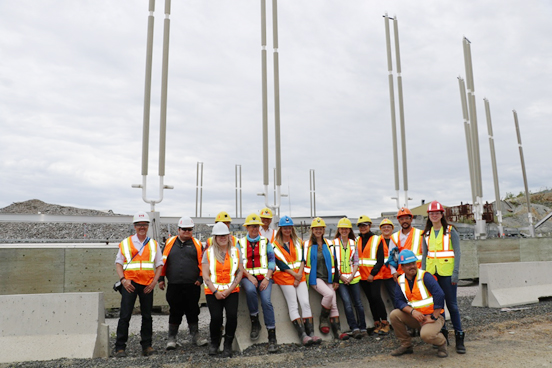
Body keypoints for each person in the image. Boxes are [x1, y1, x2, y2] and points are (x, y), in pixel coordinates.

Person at [114, 211, 163, 358]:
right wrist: (123, 280)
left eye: (144, 225)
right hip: (130, 284)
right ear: (134, 226)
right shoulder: (126, 243)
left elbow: (160, 264)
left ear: (148, 226)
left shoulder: (154, 244)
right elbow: (118, 263)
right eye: (139, 225)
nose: (142, 227)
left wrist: (154, 282)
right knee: (125, 315)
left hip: (147, 285)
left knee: (147, 316)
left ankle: (147, 346)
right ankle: (120, 347)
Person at [422, 200, 466, 354]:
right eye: (431, 213)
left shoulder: (450, 230)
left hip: (447, 274)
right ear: (429, 215)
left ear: (441, 214)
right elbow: (424, 255)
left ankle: (459, 337)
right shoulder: (426, 233)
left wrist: (456, 273)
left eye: (437, 213)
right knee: (438, 307)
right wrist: (423, 274)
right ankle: (443, 335)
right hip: (431, 275)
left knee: (452, 306)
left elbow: (458, 253)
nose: (434, 215)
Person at [158, 216, 208, 350]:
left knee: (193, 310)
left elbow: (203, 263)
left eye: (189, 229)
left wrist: (200, 278)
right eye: (184, 229)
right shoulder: (169, 243)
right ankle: (172, 337)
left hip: (192, 285)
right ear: (178, 229)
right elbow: (162, 262)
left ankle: (195, 335)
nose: (187, 232)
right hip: (174, 285)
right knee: (175, 311)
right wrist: (161, 279)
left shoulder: (197, 244)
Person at [389, 249, 448, 358]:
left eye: (413, 263)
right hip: (417, 317)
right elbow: (398, 301)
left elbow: (439, 294)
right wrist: (412, 312)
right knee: (394, 315)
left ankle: (442, 343)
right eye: (408, 265)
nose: (412, 266)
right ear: (401, 267)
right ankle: (406, 345)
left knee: (426, 335)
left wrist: (434, 317)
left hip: (433, 316)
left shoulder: (425, 276)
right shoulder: (400, 280)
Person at [272, 215, 321, 346]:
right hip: (285, 278)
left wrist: (298, 275)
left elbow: (302, 259)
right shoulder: (275, 245)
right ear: (280, 229)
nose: (287, 230)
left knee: (305, 302)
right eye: (285, 228)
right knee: (293, 304)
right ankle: (302, 335)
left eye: (289, 228)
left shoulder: (299, 242)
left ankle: (311, 333)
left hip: (299, 276)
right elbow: (281, 264)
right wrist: (295, 275)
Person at [238, 213, 278, 353]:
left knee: (266, 301)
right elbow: (239, 264)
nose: (254, 229)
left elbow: (272, 261)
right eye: (251, 226)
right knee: (250, 290)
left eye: (256, 226)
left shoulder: (266, 242)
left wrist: (267, 277)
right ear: (247, 228)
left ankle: (272, 336)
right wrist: (249, 276)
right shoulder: (240, 243)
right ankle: (255, 322)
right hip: (248, 277)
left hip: (265, 277)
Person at [304, 217, 349, 341]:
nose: (318, 231)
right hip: (315, 278)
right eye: (316, 229)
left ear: (324, 230)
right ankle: (323, 319)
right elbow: (303, 262)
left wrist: (335, 280)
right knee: (329, 294)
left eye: (320, 228)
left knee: (334, 303)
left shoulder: (329, 244)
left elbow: (335, 262)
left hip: (328, 278)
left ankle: (337, 332)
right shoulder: (307, 245)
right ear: (312, 230)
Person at [203, 222, 243, 358]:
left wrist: (229, 290)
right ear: (214, 237)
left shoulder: (236, 252)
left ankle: (227, 344)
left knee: (232, 317)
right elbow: (205, 275)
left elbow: (239, 272)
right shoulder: (208, 253)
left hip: (231, 291)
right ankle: (214, 343)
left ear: (228, 236)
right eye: (219, 236)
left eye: (224, 235)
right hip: (213, 292)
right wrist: (216, 292)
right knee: (216, 318)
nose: (222, 238)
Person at [333, 217, 366, 339]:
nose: (344, 230)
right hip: (341, 279)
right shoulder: (334, 243)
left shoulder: (354, 243)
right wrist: (341, 277)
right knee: (347, 303)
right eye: (342, 228)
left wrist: (351, 276)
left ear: (349, 230)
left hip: (354, 278)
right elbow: (333, 263)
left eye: (346, 228)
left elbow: (356, 261)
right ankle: (354, 328)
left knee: (358, 303)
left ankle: (363, 327)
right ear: (339, 230)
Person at [368, 218, 397, 335]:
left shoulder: (395, 240)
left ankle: (399, 321)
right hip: (380, 273)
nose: (386, 229)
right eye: (383, 227)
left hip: (391, 273)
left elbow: (396, 257)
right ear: (380, 229)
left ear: (392, 229)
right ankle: (383, 322)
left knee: (395, 296)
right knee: (375, 297)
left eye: (388, 227)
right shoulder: (377, 240)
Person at [388, 207, 423, 278]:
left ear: (411, 219)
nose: (404, 221)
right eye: (402, 219)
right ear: (399, 221)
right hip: (401, 273)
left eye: (407, 218)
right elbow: (391, 257)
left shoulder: (420, 234)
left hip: (418, 271)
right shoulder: (394, 237)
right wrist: (394, 271)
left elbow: (426, 254)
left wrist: (423, 270)